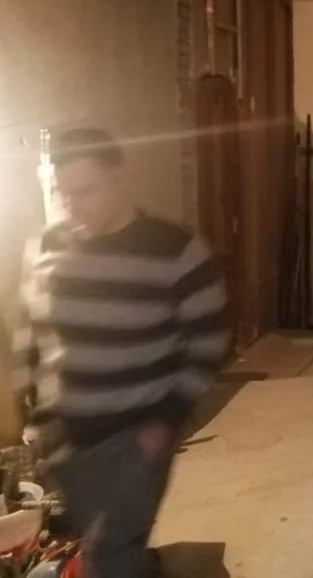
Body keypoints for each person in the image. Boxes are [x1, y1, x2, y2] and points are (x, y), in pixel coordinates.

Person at [9, 128, 230, 577]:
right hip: (65, 439)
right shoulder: (47, 244)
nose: (74, 205)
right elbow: (30, 328)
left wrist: (165, 421)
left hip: (132, 441)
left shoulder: (175, 249)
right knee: (88, 540)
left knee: (112, 556)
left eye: (86, 191)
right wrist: (27, 404)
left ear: (120, 180)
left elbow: (209, 342)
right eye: (64, 192)